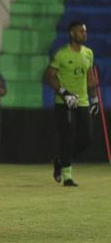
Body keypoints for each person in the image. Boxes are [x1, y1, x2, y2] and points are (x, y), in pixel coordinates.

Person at [43, 21, 98, 187]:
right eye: (81, 31)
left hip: (82, 101)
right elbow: (49, 77)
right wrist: (64, 93)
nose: (84, 34)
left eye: (85, 31)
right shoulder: (62, 54)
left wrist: (94, 99)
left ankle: (60, 160)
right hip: (65, 102)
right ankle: (67, 176)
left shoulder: (88, 53)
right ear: (72, 34)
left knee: (87, 139)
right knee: (67, 138)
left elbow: (90, 77)